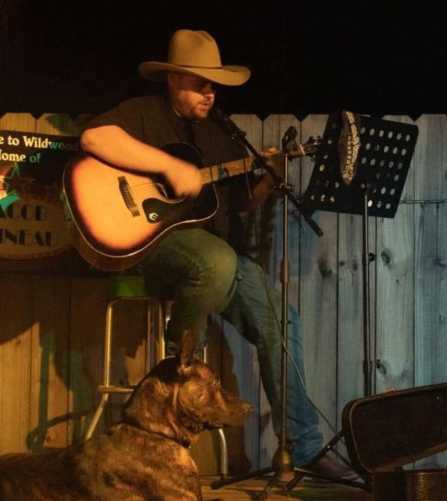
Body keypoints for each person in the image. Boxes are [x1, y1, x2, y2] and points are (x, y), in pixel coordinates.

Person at [79, 28, 356, 480]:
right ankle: (177, 371)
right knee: (217, 261)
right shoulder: (143, 115)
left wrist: (267, 178)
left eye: (214, 85)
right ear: (172, 80)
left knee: (281, 320)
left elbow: (240, 203)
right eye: (200, 83)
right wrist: (168, 166)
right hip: (154, 249)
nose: (211, 93)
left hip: (213, 261)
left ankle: (304, 448)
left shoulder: (223, 135)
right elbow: (93, 139)